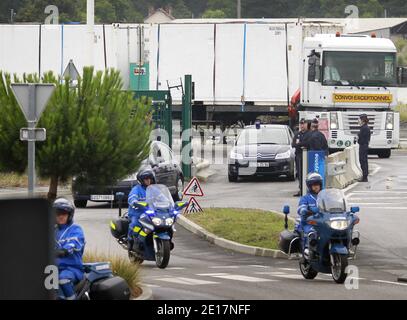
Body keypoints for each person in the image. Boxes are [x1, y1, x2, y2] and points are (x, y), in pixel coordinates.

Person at [54, 198, 85, 300]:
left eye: (64, 213)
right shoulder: (52, 230)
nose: (61, 216)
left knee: (63, 279)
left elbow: (74, 243)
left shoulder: (75, 229)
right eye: (58, 213)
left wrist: (65, 250)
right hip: (53, 269)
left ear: (69, 214)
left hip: (72, 268)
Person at [127, 168, 156, 251]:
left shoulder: (154, 189)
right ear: (142, 180)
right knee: (136, 224)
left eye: (149, 178)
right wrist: (134, 202)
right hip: (137, 213)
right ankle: (130, 240)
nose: (148, 181)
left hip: (151, 213)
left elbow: (162, 197)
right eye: (146, 179)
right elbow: (132, 198)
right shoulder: (136, 189)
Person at [296, 173, 323, 259]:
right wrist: (304, 210)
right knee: (312, 233)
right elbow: (301, 207)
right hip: (309, 222)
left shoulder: (324, 196)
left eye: (317, 184)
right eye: (314, 185)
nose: (316, 187)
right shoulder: (306, 198)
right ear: (310, 186)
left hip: (323, 222)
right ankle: (308, 250)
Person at [292, 119, 310, 197]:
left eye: (304, 124)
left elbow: (308, 143)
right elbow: (293, 144)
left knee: (306, 173)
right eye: (301, 124)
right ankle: (301, 189)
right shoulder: (297, 134)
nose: (302, 125)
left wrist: (299, 143)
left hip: (307, 156)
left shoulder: (309, 134)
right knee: (299, 173)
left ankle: (307, 189)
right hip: (299, 155)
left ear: (307, 125)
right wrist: (300, 144)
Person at [357, 114, 371, 182]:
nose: (358, 121)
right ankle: (364, 176)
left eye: (359, 119)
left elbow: (363, 139)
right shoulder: (364, 127)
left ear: (363, 120)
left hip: (363, 146)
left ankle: (365, 177)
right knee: (363, 161)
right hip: (363, 145)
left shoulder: (364, 128)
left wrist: (358, 139)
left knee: (363, 161)